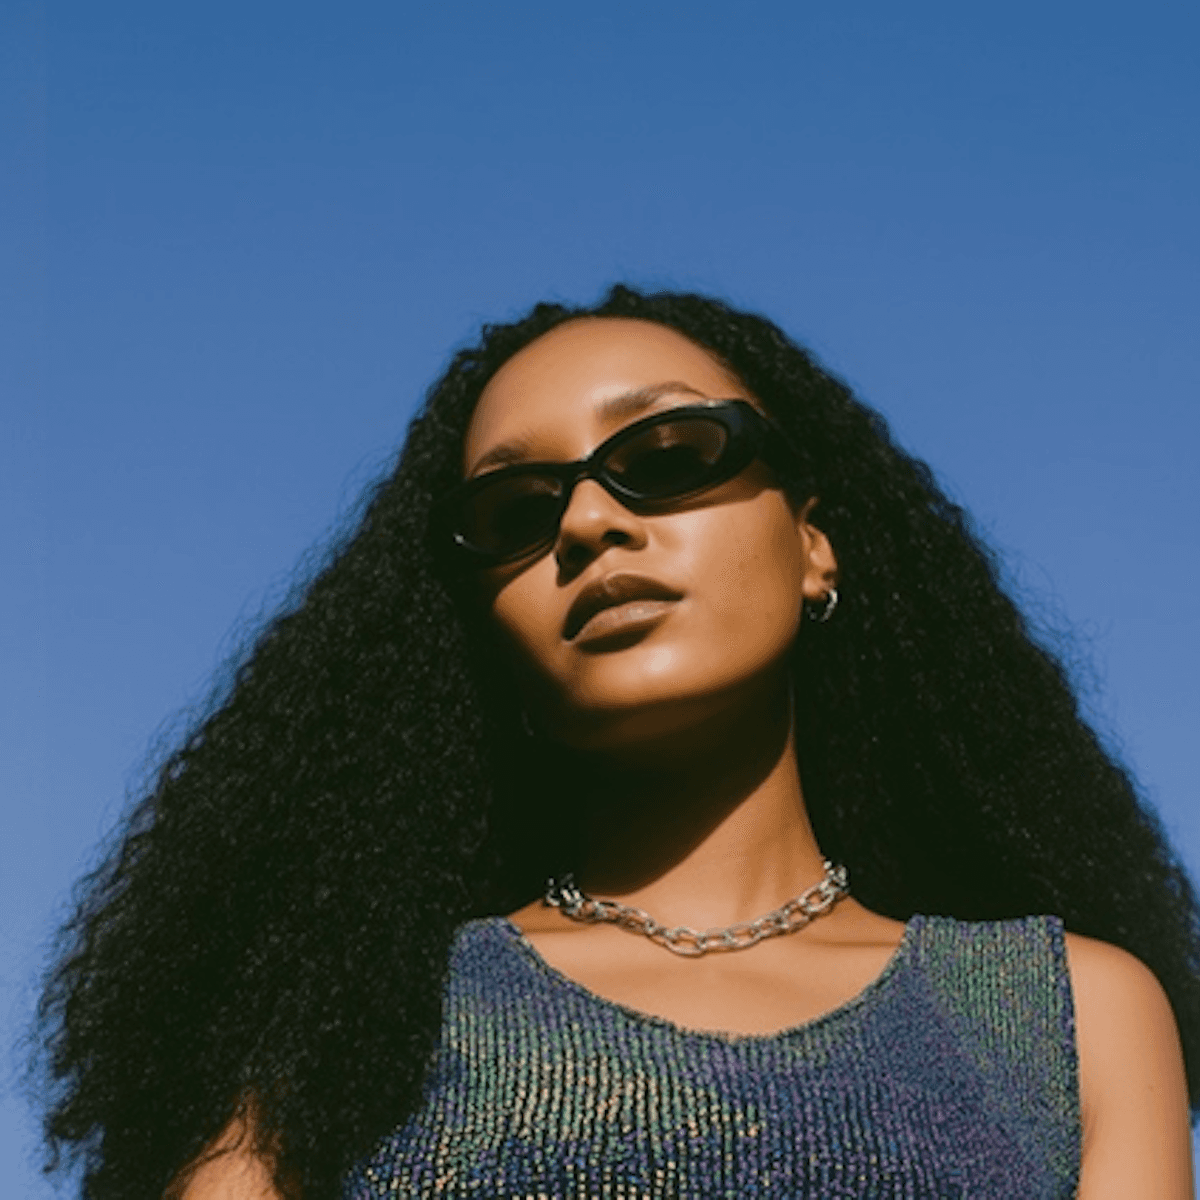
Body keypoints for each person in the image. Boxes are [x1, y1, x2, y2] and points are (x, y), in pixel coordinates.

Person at [33, 286, 1197, 1199]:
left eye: (671, 454)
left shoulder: (1066, 1017)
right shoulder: (337, 1025)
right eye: (515, 512)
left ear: (813, 547)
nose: (589, 520)